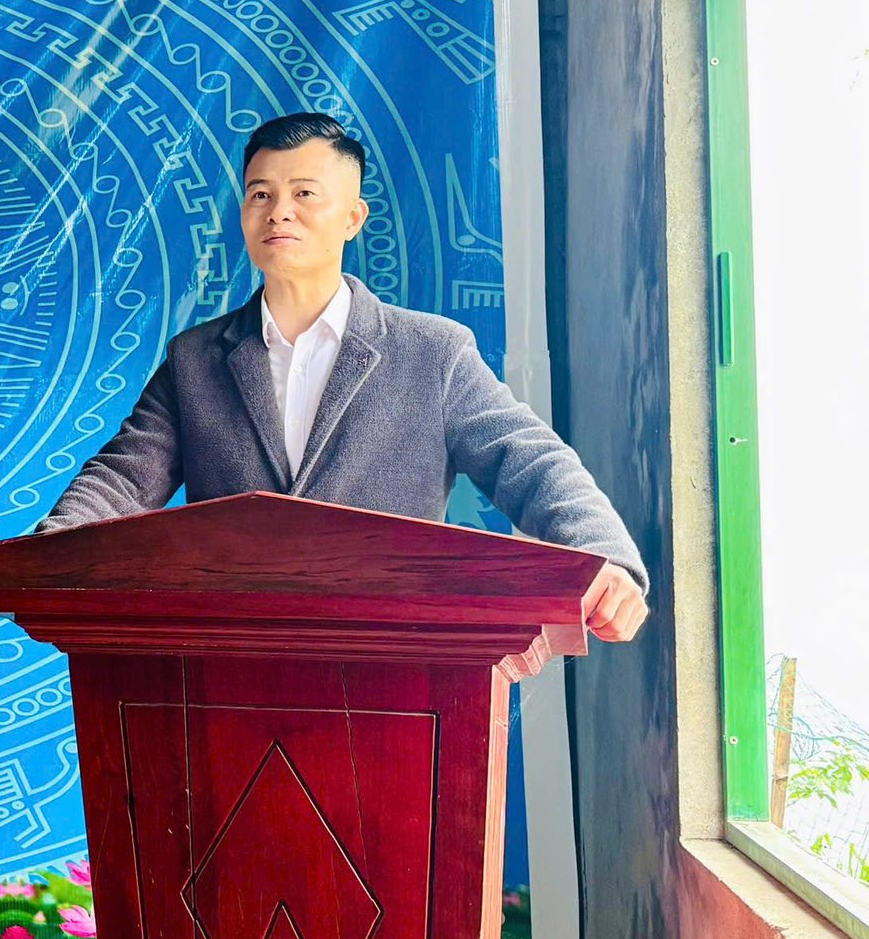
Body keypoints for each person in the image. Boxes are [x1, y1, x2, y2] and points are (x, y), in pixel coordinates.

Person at [41, 112, 649, 640]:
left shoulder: (433, 352)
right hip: (227, 661)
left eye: (305, 193)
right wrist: (51, 549)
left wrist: (604, 558)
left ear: (353, 218)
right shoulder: (194, 360)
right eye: (259, 194)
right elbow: (124, 477)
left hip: (398, 662)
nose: (279, 212)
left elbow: (531, 461)